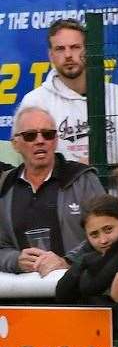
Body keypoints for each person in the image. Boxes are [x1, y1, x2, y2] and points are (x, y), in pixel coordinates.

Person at [0, 105, 104, 276]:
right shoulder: (5, 185)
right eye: (30, 135)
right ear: (15, 144)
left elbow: (109, 233)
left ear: (55, 140)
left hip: (78, 293)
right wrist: (16, 260)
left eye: (48, 134)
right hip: (24, 297)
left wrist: (68, 261)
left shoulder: (81, 178)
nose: (40, 140)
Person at [18, 18, 118, 166]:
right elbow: (33, 165)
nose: (68, 55)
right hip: (61, 188)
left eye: (75, 47)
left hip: (111, 187)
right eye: (60, 49)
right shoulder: (35, 102)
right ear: (51, 55)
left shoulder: (117, 95)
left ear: (88, 50)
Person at [53, 195, 118, 306]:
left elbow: (93, 286)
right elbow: (62, 294)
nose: (103, 240)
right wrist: (82, 261)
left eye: (108, 229)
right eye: (94, 235)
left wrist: (85, 262)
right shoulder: (88, 250)